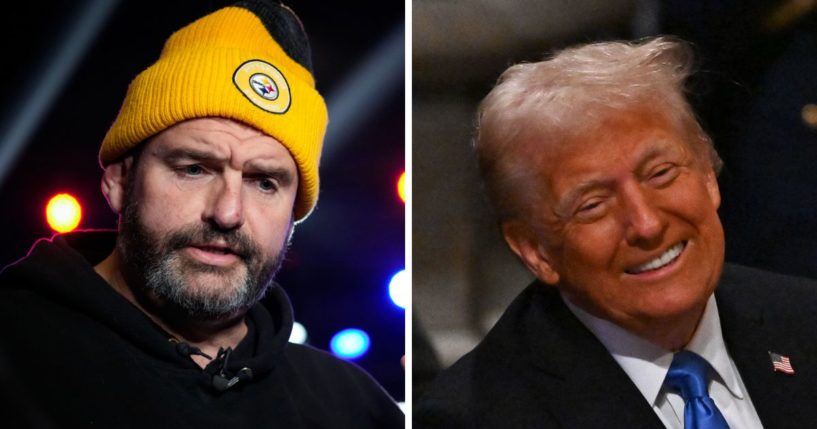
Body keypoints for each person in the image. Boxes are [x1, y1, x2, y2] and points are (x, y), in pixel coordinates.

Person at [0, 1, 403, 427]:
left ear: (293, 217)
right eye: (194, 168)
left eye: (265, 182)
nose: (227, 212)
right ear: (119, 180)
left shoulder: (354, 408)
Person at [415, 36, 817, 428]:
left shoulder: (805, 318)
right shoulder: (474, 415)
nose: (647, 224)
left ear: (708, 173)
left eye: (660, 174)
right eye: (592, 205)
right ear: (534, 248)